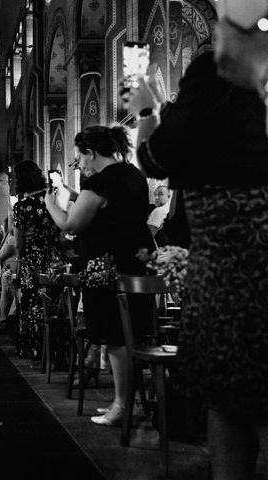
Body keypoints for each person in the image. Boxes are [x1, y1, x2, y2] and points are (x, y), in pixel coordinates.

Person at [123, 48, 268, 478]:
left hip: (220, 289)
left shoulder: (199, 135)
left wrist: (148, 107)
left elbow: (150, 158)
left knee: (227, 405)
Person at [44, 126, 154, 426]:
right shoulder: (133, 175)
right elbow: (111, 211)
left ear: (91, 153)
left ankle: (121, 405)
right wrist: (75, 194)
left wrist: (51, 204)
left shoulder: (101, 181)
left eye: (80, 157)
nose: (79, 164)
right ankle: (128, 403)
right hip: (135, 261)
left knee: (117, 339)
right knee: (131, 335)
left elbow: (71, 224)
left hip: (107, 267)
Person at [12, 161, 61, 362]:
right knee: (52, 302)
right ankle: (55, 348)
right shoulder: (53, 200)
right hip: (53, 259)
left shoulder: (22, 207)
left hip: (32, 259)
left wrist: (20, 260)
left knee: (31, 303)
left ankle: (34, 347)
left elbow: (18, 242)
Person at [0, 226, 19, 336]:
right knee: (10, 297)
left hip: (10, 270)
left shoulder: (12, 239)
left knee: (5, 297)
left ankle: (3, 324)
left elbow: (1, 254)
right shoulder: (13, 238)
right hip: (14, 269)